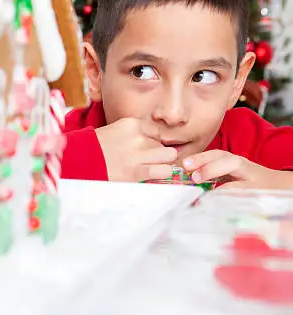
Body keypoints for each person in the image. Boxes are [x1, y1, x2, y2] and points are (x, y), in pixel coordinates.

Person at [60, 0, 293, 190]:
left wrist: (278, 185)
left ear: (237, 82)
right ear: (95, 71)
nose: (173, 114)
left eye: (203, 76)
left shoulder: (246, 140)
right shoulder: (60, 144)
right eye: (142, 72)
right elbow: (26, 178)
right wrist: (85, 161)